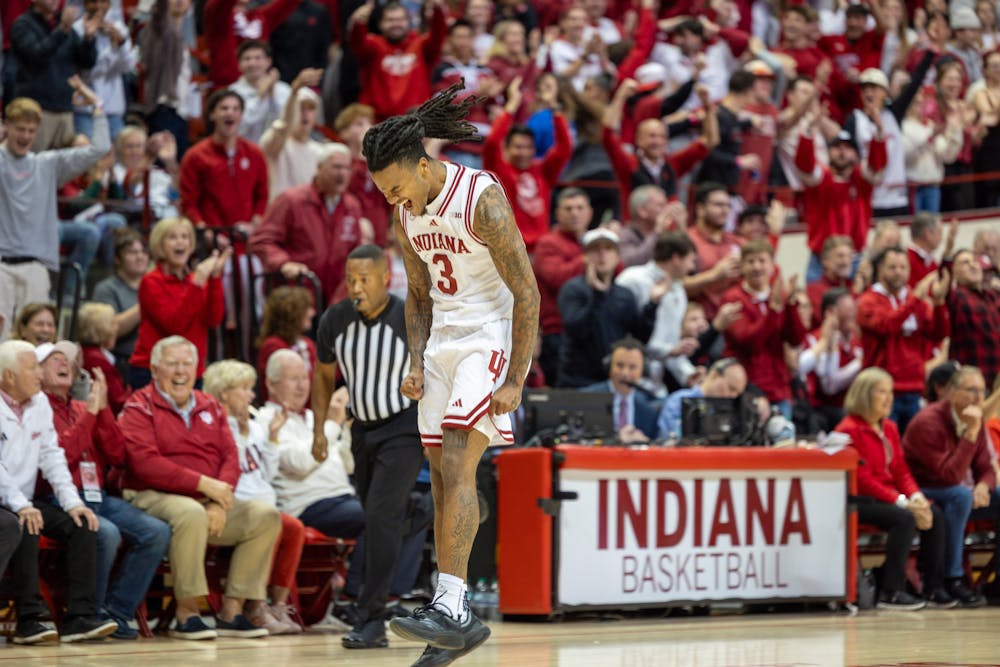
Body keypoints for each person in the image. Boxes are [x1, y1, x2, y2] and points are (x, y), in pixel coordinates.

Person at [360, 82, 540, 663]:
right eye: (384, 193)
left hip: (489, 334)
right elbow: (417, 295)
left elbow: (528, 292)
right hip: (441, 342)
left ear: (421, 164)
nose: (393, 201)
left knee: (462, 461)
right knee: (441, 482)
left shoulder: (481, 199)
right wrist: (415, 362)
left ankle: (451, 602)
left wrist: (515, 378)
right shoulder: (405, 215)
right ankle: (457, 623)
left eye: (396, 188)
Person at [119, 335, 281, 639]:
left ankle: (232, 611)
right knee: (191, 513)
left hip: (206, 501)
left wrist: (220, 501)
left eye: (187, 364)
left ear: (198, 369)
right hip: (151, 495)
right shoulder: (139, 405)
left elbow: (230, 454)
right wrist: (205, 485)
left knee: (264, 516)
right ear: (154, 370)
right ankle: (188, 612)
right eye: (172, 364)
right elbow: (145, 463)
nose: (180, 371)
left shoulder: (209, 404)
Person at [312, 244, 425, 649]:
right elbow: (325, 376)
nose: (356, 287)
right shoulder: (335, 320)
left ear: (384, 279)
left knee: (378, 516)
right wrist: (320, 430)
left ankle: (372, 616)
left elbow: (431, 373)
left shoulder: (409, 317)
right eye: (350, 280)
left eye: (364, 280)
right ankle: (414, 512)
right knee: (378, 514)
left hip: (404, 427)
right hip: (362, 429)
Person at [37, 341, 170, 639]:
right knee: (105, 533)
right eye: (56, 360)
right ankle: (90, 615)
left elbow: (117, 455)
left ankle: (117, 612)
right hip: (58, 497)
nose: (66, 365)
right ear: (37, 372)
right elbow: (63, 456)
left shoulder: (84, 407)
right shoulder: (37, 409)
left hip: (99, 495)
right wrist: (92, 414)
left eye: (69, 362)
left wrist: (104, 408)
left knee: (156, 531)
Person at [0, 339, 116, 643]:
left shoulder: (38, 403)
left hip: (24, 498)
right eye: (32, 368)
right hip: (7, 499)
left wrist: (72, 503)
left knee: (82, 523)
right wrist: (20, 504)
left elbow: (52, 457)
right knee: (25, 521)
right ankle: (28, 619)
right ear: (9, 376)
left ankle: (79, 616)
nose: (39, 374)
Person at [833, 368, 952, 610]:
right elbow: (863, 479)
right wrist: (901, 501)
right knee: (905, 518)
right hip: (859, 499)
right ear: (864, 395)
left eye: (890, 393)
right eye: (881, 392)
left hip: (890, 497)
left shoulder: (889, 427)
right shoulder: (847, 430)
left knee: (934, 514)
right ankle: (892, 591)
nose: (889, 399)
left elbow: (900, 470)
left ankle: (932, 587)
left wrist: (916, 496)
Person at [202, 359, 304, 635]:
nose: (251, 395)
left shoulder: (256, 423)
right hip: (236, 504)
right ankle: (256, 605)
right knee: (270, 522)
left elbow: (267, 474)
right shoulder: (212, 425)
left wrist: (271, 438)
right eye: (244, 388)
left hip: (263, 500)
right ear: (224, 393)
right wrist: (243, 435)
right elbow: (227, 472)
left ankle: (278, 606)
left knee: (294, 528)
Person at [0, 92, 109, 339]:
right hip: (1, 266)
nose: (26, 136)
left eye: (31, 130)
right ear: (7, 126)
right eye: (20, 129)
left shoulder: (46, 164)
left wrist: (98, 107)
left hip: (36, 266)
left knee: (39, 341)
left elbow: (100, 148)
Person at [903, 366, 993, 607]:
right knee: (960, 496)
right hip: (923, 491)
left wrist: (984, 485)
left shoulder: (975, 417)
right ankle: (953, 578)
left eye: (982, 391)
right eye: (971, 390)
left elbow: (987, 468)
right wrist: (971, 434)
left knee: (977, 494)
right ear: (952, 393)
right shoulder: (928, 421)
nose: (978, 398)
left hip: (956, 490)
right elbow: (948, 476)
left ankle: (994, 582)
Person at [250, 144, 366, 304]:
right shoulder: (291, 200)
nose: (342, 173)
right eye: (336, 167)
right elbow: (262, 240)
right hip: (295, 297)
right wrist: (283, 264)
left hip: (335, 300)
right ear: (319, 168)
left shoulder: (352, 206)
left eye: (347, 168)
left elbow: (356, 252)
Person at [857, 246, 950, 434]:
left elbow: (937, 334)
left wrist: (939, 303)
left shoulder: (914, 299)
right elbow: (887, 326)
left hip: (914, 387)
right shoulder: (868, 300)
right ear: (880, 270)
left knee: (913, 450)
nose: (898, 272)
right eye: (892, 267)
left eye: (903, 267)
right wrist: (915, 298)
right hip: (882, 390)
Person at [128, 217, 229, 388]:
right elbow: (174, 325)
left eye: (185, 237)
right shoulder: (151, 281)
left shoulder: (195, 281)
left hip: (191, 371)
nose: (180, 242)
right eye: (173, 237)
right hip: (153, 372)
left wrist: (215, 277)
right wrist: (197, 283)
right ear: (160, 244)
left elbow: (214, 319)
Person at [482, 76, 571, 252]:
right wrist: (513, 104)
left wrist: (553, 107)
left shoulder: (543, 171)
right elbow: (492, 142)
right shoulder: (498, 171)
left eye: (528, 147)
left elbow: (564, 147)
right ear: (507, 148)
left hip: (540, 250)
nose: (524, 152)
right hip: (509, 250)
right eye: (518, 147)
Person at [721, 240, 806, 416]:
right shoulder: (733, 298)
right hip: (745, 389)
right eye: (751, 261)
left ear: (772, 266)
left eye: (762, 261)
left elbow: (795, 339)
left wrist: (790, 306)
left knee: (783, 440)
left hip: (778, 387)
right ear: (742, 267)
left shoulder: (779, 296)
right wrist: (773, 311)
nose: (757, 267)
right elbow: (748, 340)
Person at [558, 229, 651, 388]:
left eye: (608, 249)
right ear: (585, 257)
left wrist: (653, 306)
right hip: (578, 382)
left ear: (617, 257)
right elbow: (577, 329)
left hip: (615, 381)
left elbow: (639, 337)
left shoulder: (624, 294)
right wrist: (597, 295)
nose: (602, 254)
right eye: (595, 249)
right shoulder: (573, 289)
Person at [179, 89, 269, 240]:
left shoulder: (254, 154)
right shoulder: (195, 156)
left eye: (236, 109)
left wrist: (254, 225)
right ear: (212, 115)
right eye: (224, 108)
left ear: (241, 115)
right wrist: (206, 233)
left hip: (246, 243)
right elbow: (189, 204)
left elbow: (262, 195)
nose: (230, 113)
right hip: (212, 242)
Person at [10, 0, 97, 151]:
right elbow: (36, 54)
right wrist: (62, 29)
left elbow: (86, 62)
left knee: (63, 170)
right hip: (37, 111)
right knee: (35, 165)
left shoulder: (63, 25)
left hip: (65, 109)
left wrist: (89, 39)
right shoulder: (22, 25)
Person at [348, 0, 448, 122]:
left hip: (416, 122)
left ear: (409, 22)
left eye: (400, 20)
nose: (396, 24)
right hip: (378, 124)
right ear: (380, 24)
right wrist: (358, 23)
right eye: (390, 20)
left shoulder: (421, 45)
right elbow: (357, 42)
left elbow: (438, 35)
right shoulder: (373, 45)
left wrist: (438, 11)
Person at [532, 188, 591, 386]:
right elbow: (557, 278)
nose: (575, 213)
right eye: (568, 208)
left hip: (589, 330)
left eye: (580, 208)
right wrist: (588, 258)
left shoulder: (593, 242)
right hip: (556, 332)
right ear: (557, 214)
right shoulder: (547, 243)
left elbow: (616, 270)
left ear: (590, 212)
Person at [797, 287, 862, 433]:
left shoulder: (857, 340)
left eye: (854, 308)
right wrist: (861, 363)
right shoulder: (814, 339)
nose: (854, 314)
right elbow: (829, 386)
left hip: (844, 407)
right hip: (818, 409)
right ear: (830, 313)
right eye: (849, 309)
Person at [258, 67, 325, 201]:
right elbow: (284, 125)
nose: (305, 113)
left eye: (310, 108)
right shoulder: (275, 143)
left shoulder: (321, 151)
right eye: (300, 107)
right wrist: (295, 90)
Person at [72, 0, 134, 139]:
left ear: (109, 5)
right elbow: (89, 72)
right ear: (85, 4)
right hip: (85, 110)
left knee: (117, 157)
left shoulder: (118, 28)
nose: (99, 7)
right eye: (94, 2)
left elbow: (128, 66)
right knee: (89, 157)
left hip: (113, 108)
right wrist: (91, 39)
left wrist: (121, 44)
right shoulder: (77, 30)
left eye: (103, 2)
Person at [92, 227, 148, 373]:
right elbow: (109, 329)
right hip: (122, 362)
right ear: (118, 259)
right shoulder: (107, 289)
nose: (140, 257)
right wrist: (147, 302)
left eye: (143, 252)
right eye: (132, 252)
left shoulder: (152, 285)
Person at [581, 338, 658, 442]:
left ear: (642, 371)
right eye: (619, 365)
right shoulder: (587, 399)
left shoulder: (649, 410)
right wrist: (617, 440)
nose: (625, 373)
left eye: (632, 367)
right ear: (609, 367)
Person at [656, 357, 748, 440]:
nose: (732, 396)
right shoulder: (679, 400)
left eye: (737, 394)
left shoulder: (731, 411)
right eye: (731, 388)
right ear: (715, 375)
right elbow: (669, 439)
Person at [256, 286, 317, 404]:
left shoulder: (307, 343)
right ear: (293, 313)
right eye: (307, 308)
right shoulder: (272, 346)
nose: (312, 312)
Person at [948, 249, 1000, 386]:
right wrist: (948, 247)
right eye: (965, 263)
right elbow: (943, 286)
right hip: (973, 382)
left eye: (975, 261)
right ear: (954, 273)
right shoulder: (955, 297)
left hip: (997, 379)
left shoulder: (992, 296)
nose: (973, 265)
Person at [229, 40, 291, 145]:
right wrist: (260, 96)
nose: (252, 63)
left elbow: (286, 123)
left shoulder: (284, 90)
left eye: (258, 58)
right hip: (246, 150)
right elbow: (240, 127)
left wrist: (272, 95)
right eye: (247, 59)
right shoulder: (232, 93)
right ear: (239, 64)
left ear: (268, 61)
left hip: (278, 150)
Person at [77, 301, 129, 414]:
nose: (117, 329)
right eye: (113, 324)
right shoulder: (98, 361)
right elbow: (117, 402)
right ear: (102, 328)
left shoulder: (84, 352)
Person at [804, 235, 854, 329]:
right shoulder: (814, 290)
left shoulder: (853, 287)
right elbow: (834, 321)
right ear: (825, 260)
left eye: (849, 256)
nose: (846, 261)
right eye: (840, 256)